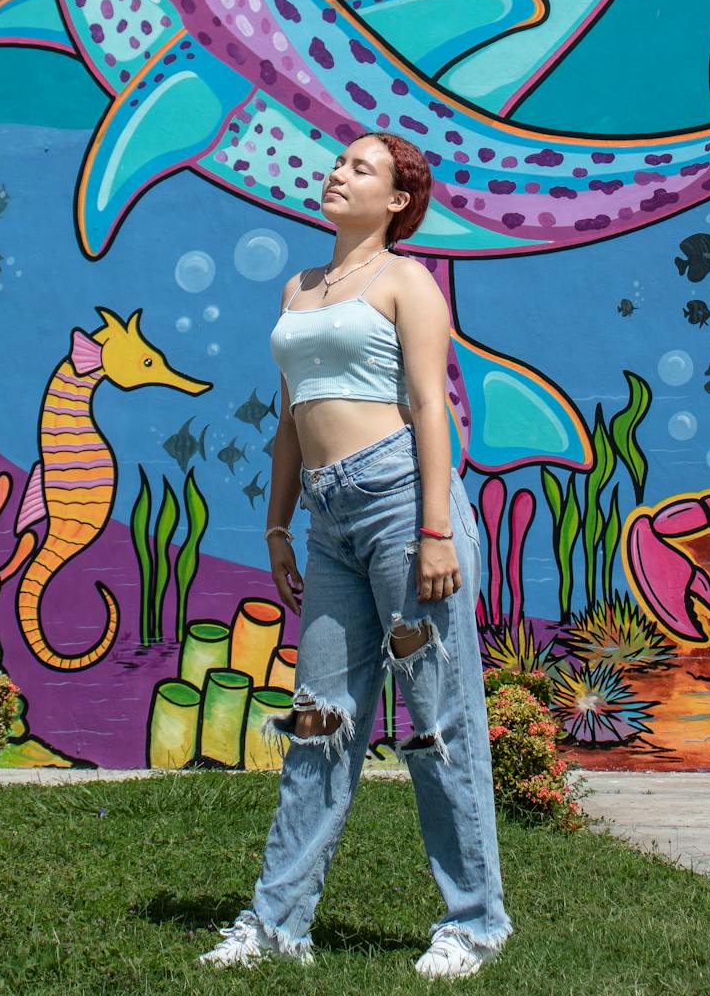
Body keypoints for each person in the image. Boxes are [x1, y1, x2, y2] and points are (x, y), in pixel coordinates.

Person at [198, 132, 511, 979]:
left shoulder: (408, 281)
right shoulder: (299, 287)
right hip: (329, 521)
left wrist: (436, 531)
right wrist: (277, 526)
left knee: (437, 721)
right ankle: (277, 923)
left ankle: (475, 923)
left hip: (403, 508)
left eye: (360, 168)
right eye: (339, 162)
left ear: (398, 201)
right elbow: (290, 415)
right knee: (318, 721)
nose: (338, 172)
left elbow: (430, 406)